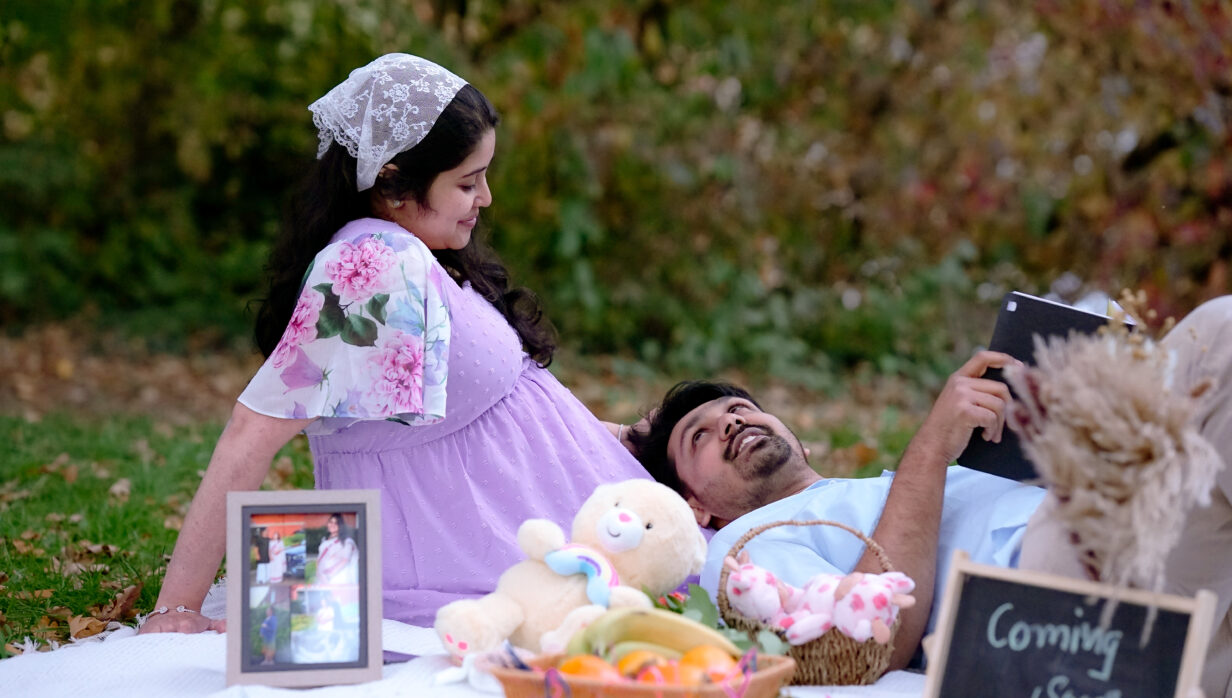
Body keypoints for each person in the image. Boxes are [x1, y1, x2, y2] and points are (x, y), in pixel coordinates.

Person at [139, 53, 648, 635]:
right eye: (466, 181)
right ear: (393, 181)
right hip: (468, 567)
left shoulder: (415, 252)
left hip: (567, 539)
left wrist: (623, 440)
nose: (486, 198)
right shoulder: (374, 263)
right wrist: (176, 609)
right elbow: (251, 431)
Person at [631, 296, 1232, 696]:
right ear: (696, 506)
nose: (731, 424)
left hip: (1167, 568)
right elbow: (865, 648)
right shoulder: (740, 548)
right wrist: (929, 449)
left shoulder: (874, 493)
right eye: (699, 437)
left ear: (803, 444)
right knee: (1218, 336)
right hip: (1069, 606)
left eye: (739, 409)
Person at [316, 514, 358, 586]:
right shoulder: (324, 541)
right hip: (322, 580)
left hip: (338, 581)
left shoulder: (346, 542)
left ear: (340, 526)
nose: (332, 525)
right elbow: (320, 559)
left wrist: (328, 575)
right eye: (331, 522)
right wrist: (320, 575)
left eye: (336, 523)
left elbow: (345, 560)